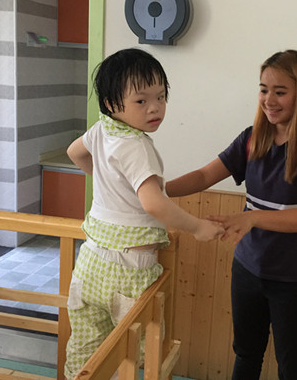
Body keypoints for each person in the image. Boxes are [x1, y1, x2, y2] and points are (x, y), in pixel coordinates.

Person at [166, 49, 297, 380]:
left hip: (294, 279)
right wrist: (156, 191)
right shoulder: (252, 139)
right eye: (264, 90)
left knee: (292, 366)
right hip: (248, 269)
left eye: (280, 92)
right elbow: (204, 176)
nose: (269, 100)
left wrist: (251, 218)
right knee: (246, 354)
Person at [64, 48, 224, 379]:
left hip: (89, 264)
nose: (155, 107)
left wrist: (111, 184)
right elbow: (154, 204)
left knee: (85, 352)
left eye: (161, 97)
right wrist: (197, 227)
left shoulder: (102, 130)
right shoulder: (137, 145)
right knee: (135, 356)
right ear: (111, 103)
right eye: (141, 100)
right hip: (130, 272)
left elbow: (74, 153)